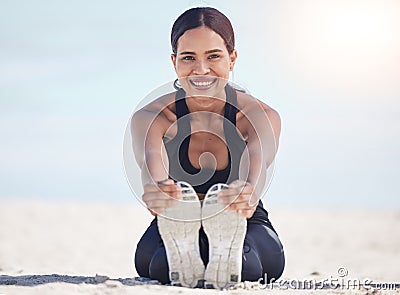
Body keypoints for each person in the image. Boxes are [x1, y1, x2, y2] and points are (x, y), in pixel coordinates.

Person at [130, 7, 285, 289]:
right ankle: (187, 235)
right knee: (156, 266)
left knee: (251, 266)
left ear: (232, 58)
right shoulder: (152, 117)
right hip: (177, 221)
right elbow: (151, 158)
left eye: (213, 56)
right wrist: (159, 188)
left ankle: (224, 241)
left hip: (243, 221)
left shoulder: (260, 115)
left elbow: (259, 159)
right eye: (189, 58)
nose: (201, 70)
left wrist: (248, 190)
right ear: (174, 62)